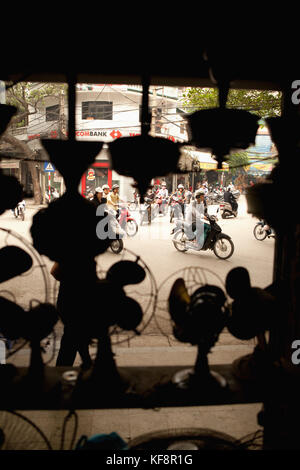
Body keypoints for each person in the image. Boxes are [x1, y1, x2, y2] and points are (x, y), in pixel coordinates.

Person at [51, 261, 93, 368]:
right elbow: (54, 271)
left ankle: (87, 363)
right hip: (72, 303)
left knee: (73, 338)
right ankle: (87, 364)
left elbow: (54, 272)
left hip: (71, 302)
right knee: (73, 338)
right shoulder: (71, 253)